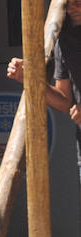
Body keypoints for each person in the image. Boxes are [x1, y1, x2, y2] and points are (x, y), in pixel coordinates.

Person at [6, 0, 81, 186]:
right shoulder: (65, 36)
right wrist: (29, 78)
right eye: (68, 3)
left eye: (78, 2)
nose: (73, 8)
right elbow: (64, 101)